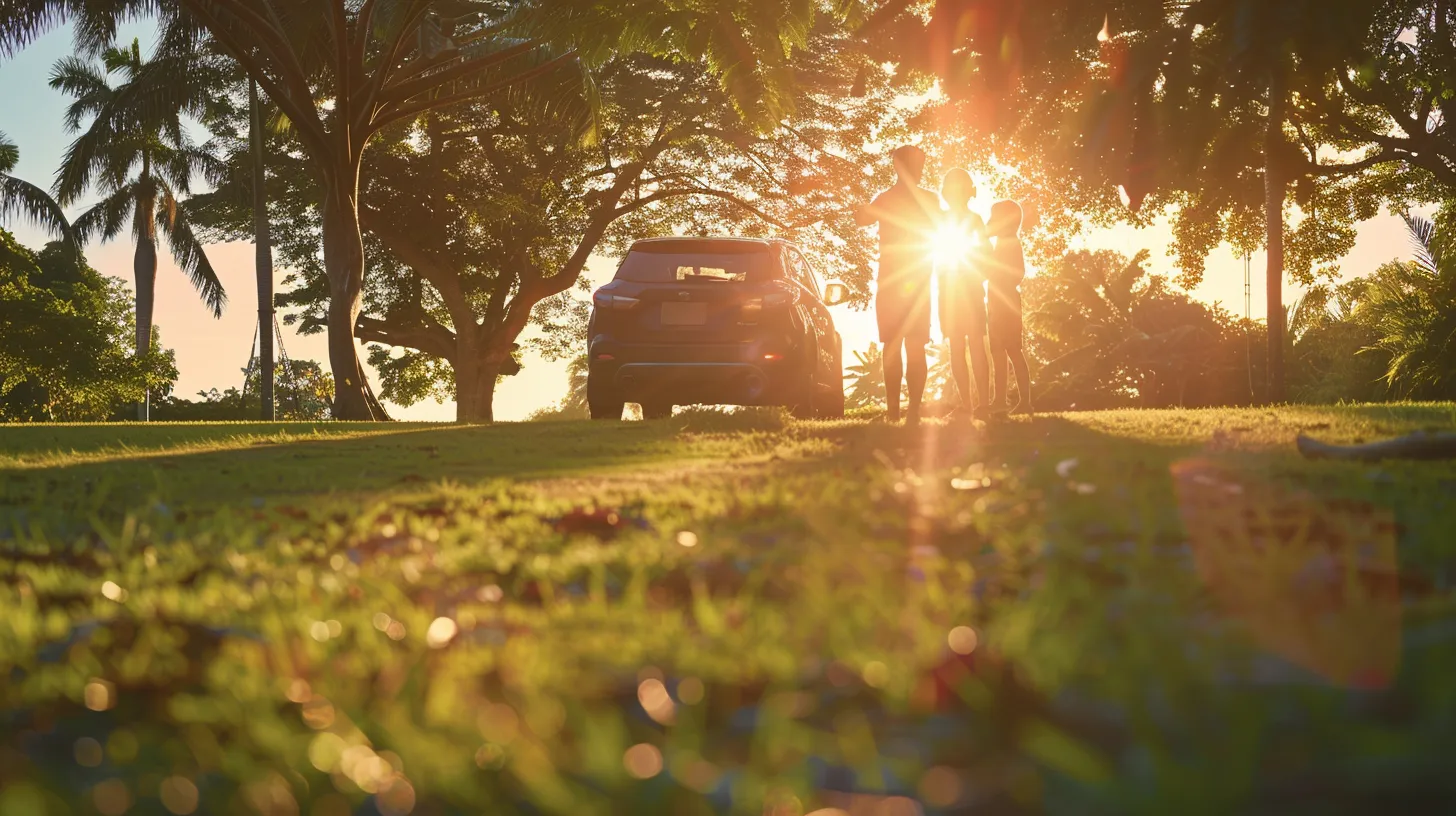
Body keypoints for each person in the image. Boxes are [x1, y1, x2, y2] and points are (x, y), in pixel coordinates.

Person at [855, 145, 941, 425]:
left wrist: (858, 197)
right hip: (916, 281)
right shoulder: (928, 198)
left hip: (894, 282)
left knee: (895, 346)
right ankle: (911, 411)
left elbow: (860, 219)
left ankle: (896, 411)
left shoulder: (887, 198)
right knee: (912, 346)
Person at [935, 168, 990, 416]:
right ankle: (973, 405)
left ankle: (979, 404)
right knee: (963, 346)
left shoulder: (970, 220)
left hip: (963, 292)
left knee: (968, 346)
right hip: (953, 292)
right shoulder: (946, 220)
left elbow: (985, 251)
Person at [987, 199, 1032, 414]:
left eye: (994, 217)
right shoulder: (1001, 242)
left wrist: (1000, 280)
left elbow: (1018, 273)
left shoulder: (1011, 242)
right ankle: (1000, 400)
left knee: (1013, 349)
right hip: (996, 302)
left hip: (1006, 303)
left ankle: (1024, 401)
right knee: (998, 352)